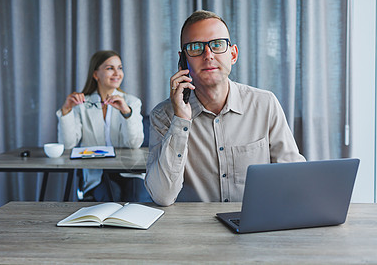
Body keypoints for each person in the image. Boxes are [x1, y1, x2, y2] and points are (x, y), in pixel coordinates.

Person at [145, 10, 305, 206]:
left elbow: (294, 179)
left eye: (217, 45)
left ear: (233, 54)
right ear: (183, 59)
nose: (208, 55)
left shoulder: (265, 104)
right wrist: (181, 121)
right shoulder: (164, 116)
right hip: (193, 232)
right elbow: (162, 196)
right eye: (196, 47)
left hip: (254, 228)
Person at [57, 50, 150, 202]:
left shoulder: (132, 102)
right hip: (97, 173)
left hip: (129, 171)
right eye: (109, 68)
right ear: (95, 74)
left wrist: (126, 112)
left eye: (120, 68)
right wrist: (66, 110)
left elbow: (134, 143)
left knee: (137, 197)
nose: (117, 73)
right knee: (111, 198)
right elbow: (68, 145)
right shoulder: (82, 104)